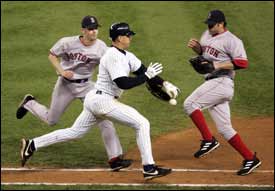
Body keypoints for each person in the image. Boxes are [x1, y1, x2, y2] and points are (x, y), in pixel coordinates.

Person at [20, 22, 177, 180]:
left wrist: (164, 83)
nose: (130, 37)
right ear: (119, 38)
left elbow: (143, 71)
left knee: (75, 132)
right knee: (142, 123)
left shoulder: (128, 56)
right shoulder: (111, 56)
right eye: (128, 35)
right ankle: (149, 168)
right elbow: (123, 83)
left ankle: (32, 144)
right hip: (103, 101)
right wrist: (146, 77)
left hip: (95, 99)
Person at [17, 15, 132, 171]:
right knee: (51, 120)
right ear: (83, 30)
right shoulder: (67, 43)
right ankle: (29, 103)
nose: (93, 32)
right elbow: (52, 55)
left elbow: (110, 64)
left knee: (105, 118)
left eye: (96, 29)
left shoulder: (101, 47)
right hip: (65, 86)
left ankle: (115, 158)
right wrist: (62, 71)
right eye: (90, 29)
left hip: (87, 87)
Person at [184, 10, 261, 176]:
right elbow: (207, 56)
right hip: (214, 84)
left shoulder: (232, 41)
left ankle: (209, 140)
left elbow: (242, 62)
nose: (209, 27)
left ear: (221, 24)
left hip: (222, 82)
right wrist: (198, 50)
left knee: (190, 104)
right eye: (208, 24)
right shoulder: (207, 34)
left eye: (212, 25)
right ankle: (250, 158)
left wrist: (217, 66)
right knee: (225, 128)